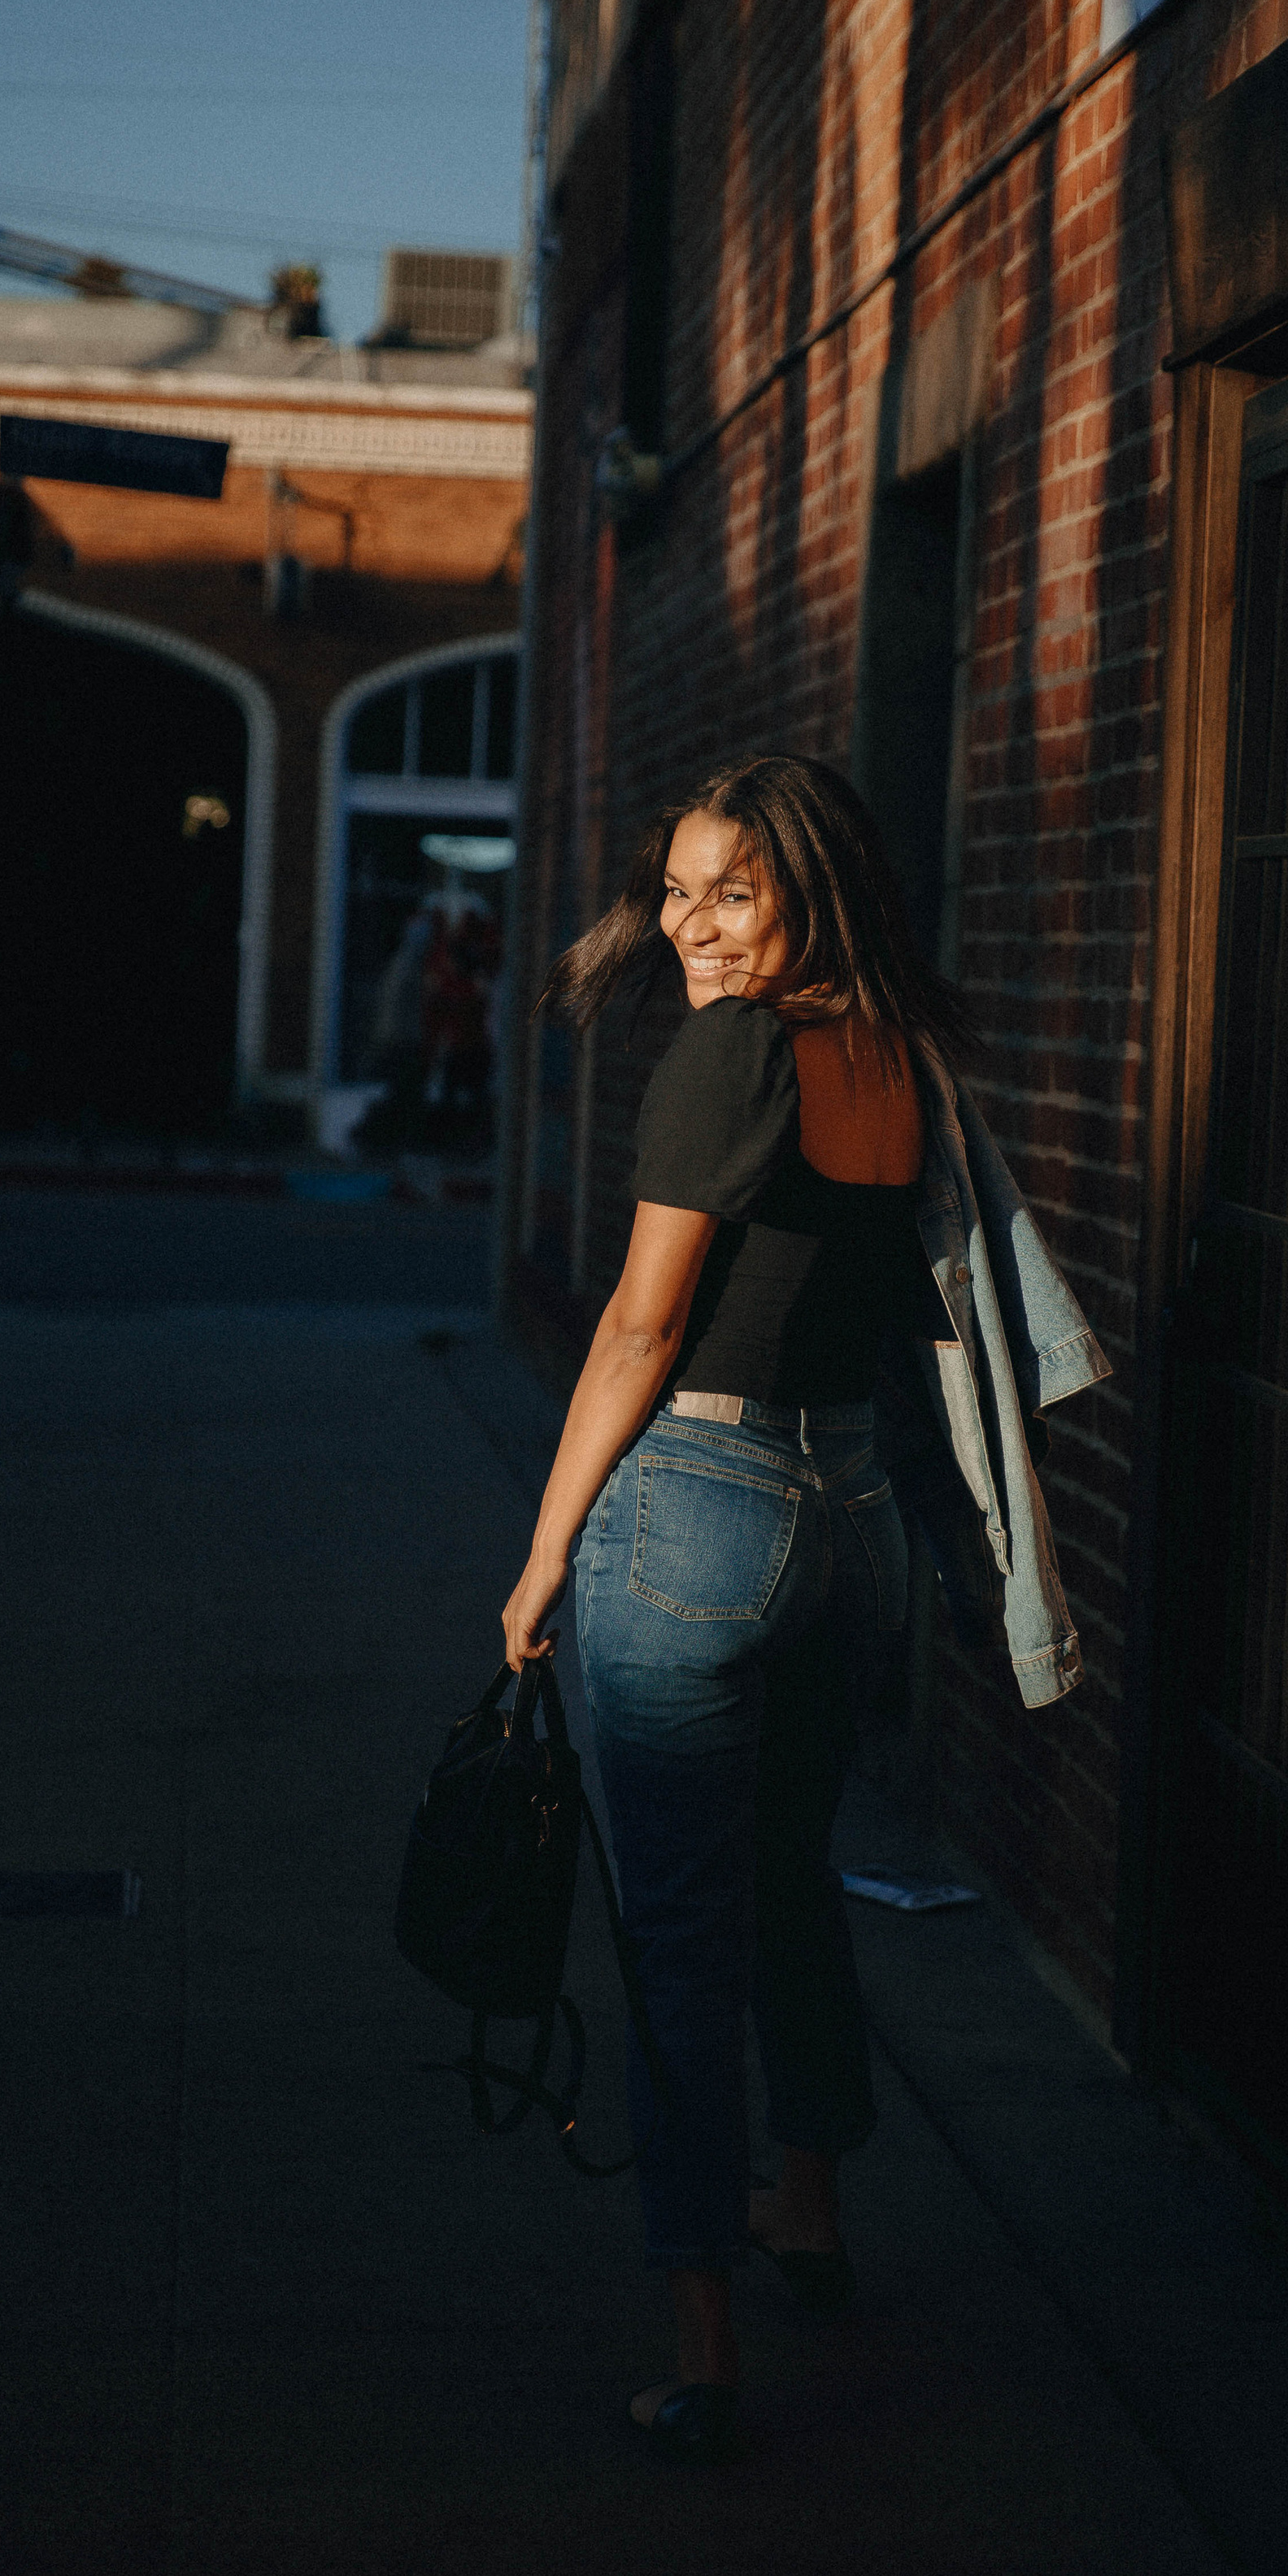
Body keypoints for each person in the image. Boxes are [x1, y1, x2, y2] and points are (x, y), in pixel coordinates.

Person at [500, 754, 1107, 2466]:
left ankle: (698, 2340)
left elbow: (636, 1327)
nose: (692, 925)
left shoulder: (731, 1050)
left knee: (678, 1939)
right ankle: (807, 2208)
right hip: (848, 1527)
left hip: (695, 1509)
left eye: (731, 894)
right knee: (788, 1891)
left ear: (809, 894)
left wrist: (544, 1550)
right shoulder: (895, 1053)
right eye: (678, 889)